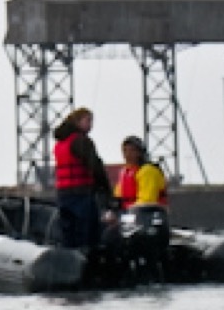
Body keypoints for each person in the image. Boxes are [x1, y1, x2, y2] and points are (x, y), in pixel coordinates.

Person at [52, 107, 112, 249]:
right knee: (87, 234)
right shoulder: (81, 141)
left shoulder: (60, 143)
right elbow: (95, 166)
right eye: (88, 120)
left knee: (68, 234)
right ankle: (88, 263)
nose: (90, 125)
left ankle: (70, 261)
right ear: (77, 121)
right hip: (81, 193)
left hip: (63, 194)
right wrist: (105, 190)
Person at [116, 135, 171, 280]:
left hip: (149, 220)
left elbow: (147, 201)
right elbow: (119, 197)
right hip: (129, 220)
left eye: (132, 151)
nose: (127, 155)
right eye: (125, 151)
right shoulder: (125, 172)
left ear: (140, 152)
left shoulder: (148, 171)